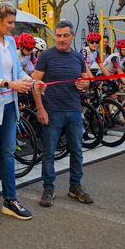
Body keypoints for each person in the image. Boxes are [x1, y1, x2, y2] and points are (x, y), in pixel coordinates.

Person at [0, 3, 44, 225]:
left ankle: (9, 200)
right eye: (10, 23)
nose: (13, 27)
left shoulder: (11, 42)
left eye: (14, 22)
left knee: (8, 154)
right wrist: (8, 84)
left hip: (8, 105)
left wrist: (33, 83)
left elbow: (18, 71)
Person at [32, 20, 93, 207]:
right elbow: (36, 84)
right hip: (52, 112)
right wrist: (40, 109)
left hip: (74, 111)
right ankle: (48, 188)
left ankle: (75, 187)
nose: (61, 39)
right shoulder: (46, 57)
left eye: (65, 35)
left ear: (72, 36)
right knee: (49, 153)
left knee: (77, 151)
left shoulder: (77, 58)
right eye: (58, 35)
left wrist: (84, 84)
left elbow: (87, 81)